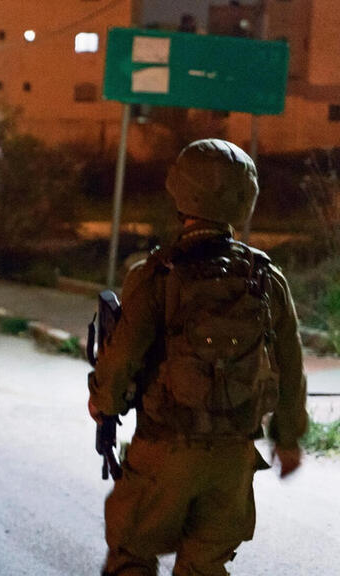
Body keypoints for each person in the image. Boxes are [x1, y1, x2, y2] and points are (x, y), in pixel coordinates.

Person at [88, 138, 308, 576]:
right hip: (232, 463)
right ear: (246, 197)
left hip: (163, 454)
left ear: (179, 193)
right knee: (205, 566)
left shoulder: (156, 274)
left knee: (131, 556)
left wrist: (103, 404)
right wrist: (288, 439)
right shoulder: (266, 277)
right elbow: (291, 364)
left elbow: (122, 358)